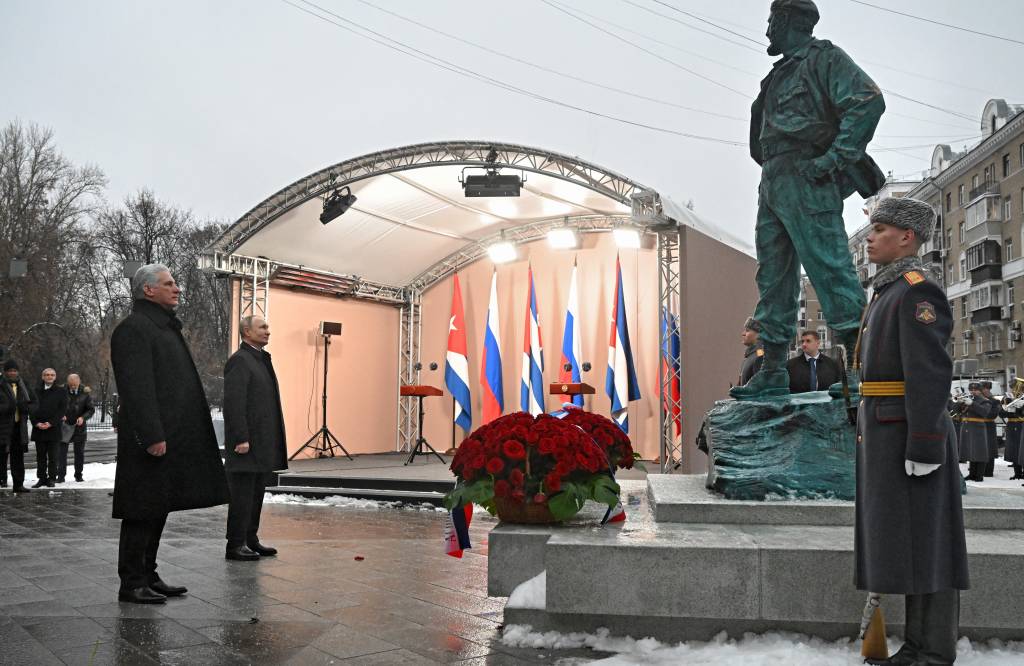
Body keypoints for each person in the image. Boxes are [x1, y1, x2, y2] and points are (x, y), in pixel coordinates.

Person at [731, 0, 885, 399]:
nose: (767, 31)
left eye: (770, 21)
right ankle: (773, 369)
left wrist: (835, 159)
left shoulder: (824, 58)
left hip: (807, 175)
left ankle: (856, 368)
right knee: (773, 276)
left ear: (786, 20)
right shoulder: (777, 75)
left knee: (830, 267)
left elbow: (868, 100)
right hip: (774, 178)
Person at [854, 197, 968, 666]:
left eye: (880, 229)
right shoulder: (888, 290)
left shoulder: (917, 291)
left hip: (908, 434)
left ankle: (934, 650)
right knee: (907, 543)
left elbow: (928, 372)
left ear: (907, 237)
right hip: (886, 432)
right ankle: (917, 644)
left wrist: (924, 442)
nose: (870, 237)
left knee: (930, 544)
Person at [110, 263, 229, 604]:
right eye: (169, 283)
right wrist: (151, 435)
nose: (177, 288)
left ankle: (148, 574)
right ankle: (131, 582)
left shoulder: (162, 327)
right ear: (148, 290)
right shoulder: (134, 328)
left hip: (171, 434)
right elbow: (137, 389)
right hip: (151, 439)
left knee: (157, 506)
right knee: (141, 509)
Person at [222, 315, 288, 561]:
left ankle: (251, 539)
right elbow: (234, 403)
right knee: (241, 496)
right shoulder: (240, 361)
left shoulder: (259, 360)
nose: (268, 331)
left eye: (268, 327)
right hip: (246, 444)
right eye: (263, 327)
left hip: (261, 443)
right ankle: (235, 544)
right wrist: (240, 438)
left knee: (256, 493)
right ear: (247, 332)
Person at [0, 360, 36, 492]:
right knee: (2, 456)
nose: (12, 373)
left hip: (18, 427)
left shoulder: (24, 385)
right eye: (10, 371)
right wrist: (8, 407)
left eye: (14, 370)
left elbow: (34, 402)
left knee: (18, 458)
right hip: (3, 427)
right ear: (5, 372)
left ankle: (18, 484)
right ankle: (2, 480)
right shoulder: (1, 384)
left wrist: (26, 408)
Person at [30, 368, 68, 488]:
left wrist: (50, 423)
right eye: (47, 375)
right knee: (40, 457)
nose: (49, 377)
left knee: (53, 457)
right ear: (43, 377)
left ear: (55, 377)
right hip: (39, 428)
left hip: (54, 429)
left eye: (52, 375)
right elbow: (30, 409)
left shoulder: (61, 391)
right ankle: (41, 478)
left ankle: (51, 478)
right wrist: (36, 423)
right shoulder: (35, 391)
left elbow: (62, 410)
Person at [60, 374, 95, 483]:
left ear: (79, 382)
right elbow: (56, 406)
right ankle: (60, 476)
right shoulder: (61, 391)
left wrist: (83, 418)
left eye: (75, 384)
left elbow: (90, 409)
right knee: (61, 453)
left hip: (79, 427)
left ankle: (78, 475)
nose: (73, 386)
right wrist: (60, 414)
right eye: (71, 384)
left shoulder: (85, 393)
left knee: (79, 453)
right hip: (64, 426)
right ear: (68, 382)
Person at [958, 383, 993, 483]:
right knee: (970, 451)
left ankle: (979, 475)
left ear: (980, 390)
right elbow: (958, 412)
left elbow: (984, 412)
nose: (973, 391)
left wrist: (972, 404)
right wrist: (959, 402)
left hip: (978, 428)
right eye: (971, 389)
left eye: (975, 390)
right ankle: (972, 474)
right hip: (967, 427)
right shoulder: (968, 398)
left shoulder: (985, 401)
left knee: (980, 452)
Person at [999, 390, 1024, 480]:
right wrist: (1008, 410)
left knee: (1022, 449)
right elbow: (1001, 413)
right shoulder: (1007, 398)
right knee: (1013, 449)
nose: (1017, 389)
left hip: (1021, 425)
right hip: (1011, 425)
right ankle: (1017, 473)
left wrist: (1018, 408)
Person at [979, 382, 999, 478]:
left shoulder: (994, 401)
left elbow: (993, 414)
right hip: (979, 424)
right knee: (980, 447)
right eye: (982, 389)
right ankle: (979, 469)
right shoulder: (979, 400)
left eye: (985, 389)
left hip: (989, 425)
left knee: (990, 448)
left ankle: (988, 471)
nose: (984, 390)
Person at [738, 317, 764, 387]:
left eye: (747, 330)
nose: (743, 334)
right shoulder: (749, 356)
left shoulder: (760, 356)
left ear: (758, 334)